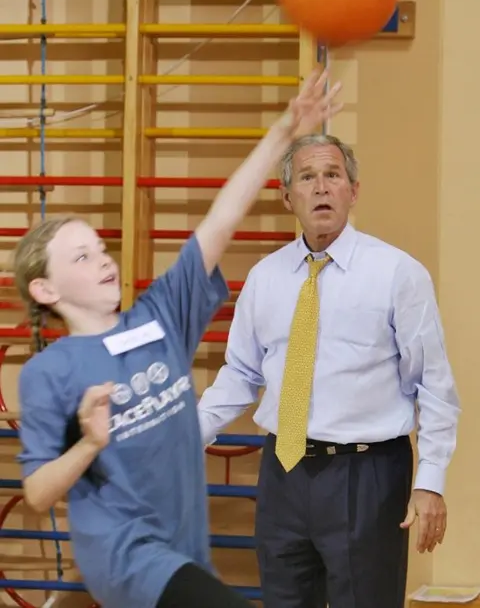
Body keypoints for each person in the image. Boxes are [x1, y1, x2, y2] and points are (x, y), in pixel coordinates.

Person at [13, 67, 343, 608]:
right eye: (81, 257)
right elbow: (37, 492)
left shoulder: (159, 316)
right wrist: (91, 443)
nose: (102, 261)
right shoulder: (51, 371)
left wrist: (286, 129)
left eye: (99, 248)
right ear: (45, 288)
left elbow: (221, 218)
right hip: (129, 558)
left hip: (183, 551)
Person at [197, 132, 461, 608]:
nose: (321, 188)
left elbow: (434, 385)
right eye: (307, 177)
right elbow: (239, 373)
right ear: (288, 196)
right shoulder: (266, 277)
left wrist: (430, 481)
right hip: (283, 470)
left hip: (368, 474)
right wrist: (185, 436)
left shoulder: (398, 274)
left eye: (333, 176)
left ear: (353, 191)